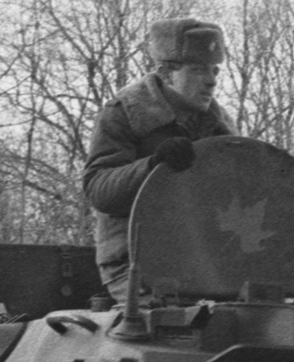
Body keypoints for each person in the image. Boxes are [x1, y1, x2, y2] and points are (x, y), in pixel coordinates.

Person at [83, 18, 235, 302]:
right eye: (199, 69)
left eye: (214, 70)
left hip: (208, 262)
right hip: (135, 264)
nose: (212, 80)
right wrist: (153, 167)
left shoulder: (221, 126)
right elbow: (99, 189)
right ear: (167, 74)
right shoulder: (124, 113)